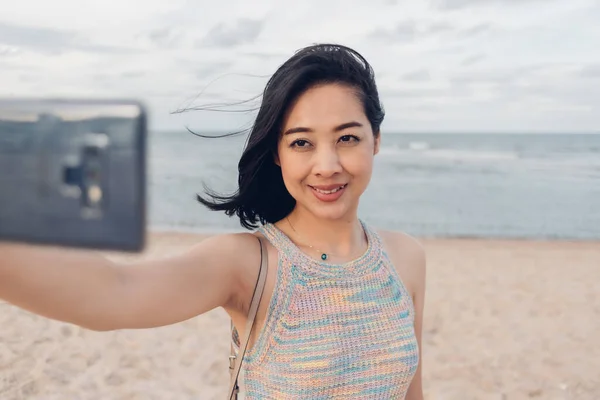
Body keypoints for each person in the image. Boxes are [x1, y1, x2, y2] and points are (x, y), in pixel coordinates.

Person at [0, 43, 426, 399]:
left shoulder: (405, 257)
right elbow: (112, 293)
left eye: (347, 137)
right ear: (278, 154)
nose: (327, 164)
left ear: (376, 141)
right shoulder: (247, 263)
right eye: (302, 142)